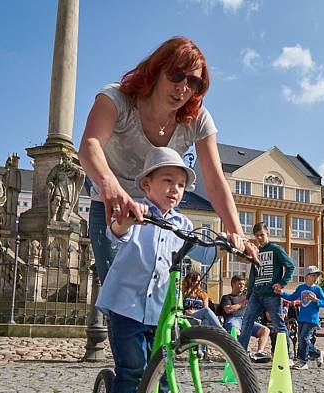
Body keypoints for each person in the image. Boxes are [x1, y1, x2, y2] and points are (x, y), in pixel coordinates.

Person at [78, 37, 257, 284]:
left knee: (160, 289)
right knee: (117, 291)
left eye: (193, 81)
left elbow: (215, 181)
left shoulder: (197, 118)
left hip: (160, 207)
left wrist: (238, 233)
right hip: (114, 204)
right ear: (156, 70)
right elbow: (90, 145)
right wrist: (110, 186)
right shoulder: (116, 98)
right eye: (176, 75)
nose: (183, 87)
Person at [94, 146, 197, 393]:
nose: (174, 190)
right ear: (147, 184)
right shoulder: (136, 209)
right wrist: (127, 220)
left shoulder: (184, 225)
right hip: (126, 306)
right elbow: (117, 231)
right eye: (167, 181)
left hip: (160, 311)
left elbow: (199, 251)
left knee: (161, 366)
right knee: (132, 366)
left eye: (180, 185)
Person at [238, 222, 295, 361]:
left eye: (262, 235)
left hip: (271, 295)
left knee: (279, 325)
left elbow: (290, 266)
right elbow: (253, 275)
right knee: (246, 321)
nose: (260, 238)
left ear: (267, 233)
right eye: (257, 236)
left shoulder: (276, 249)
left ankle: (287, 356)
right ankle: (239, 356)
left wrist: (281, 283)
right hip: (256, 294)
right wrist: (249, 294)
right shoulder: (256, 251)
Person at [282, 266, 324, 370]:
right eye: (314, 275)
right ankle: (317, 353)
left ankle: (302, 361)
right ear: (307, 276)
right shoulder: (301, 288)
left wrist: (316, 300)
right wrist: (281, 293)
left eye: (317, 276)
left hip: (312, 319)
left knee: (303, 339)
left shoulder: (317, 289)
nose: (316, 278)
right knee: (302, 340)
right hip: (302, 318)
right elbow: (291, 297)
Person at [220, 275, 270, 361]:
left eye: (243, 284)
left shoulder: (247, 297)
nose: (242, 286)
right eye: (239, 284)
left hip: (246, 319)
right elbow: (228, 309)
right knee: (235, 330)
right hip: (233, 319)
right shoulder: (227, 297)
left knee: (265, 330)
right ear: (233, 284)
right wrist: (241, 304)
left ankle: (259, 352)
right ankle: (239, 352)